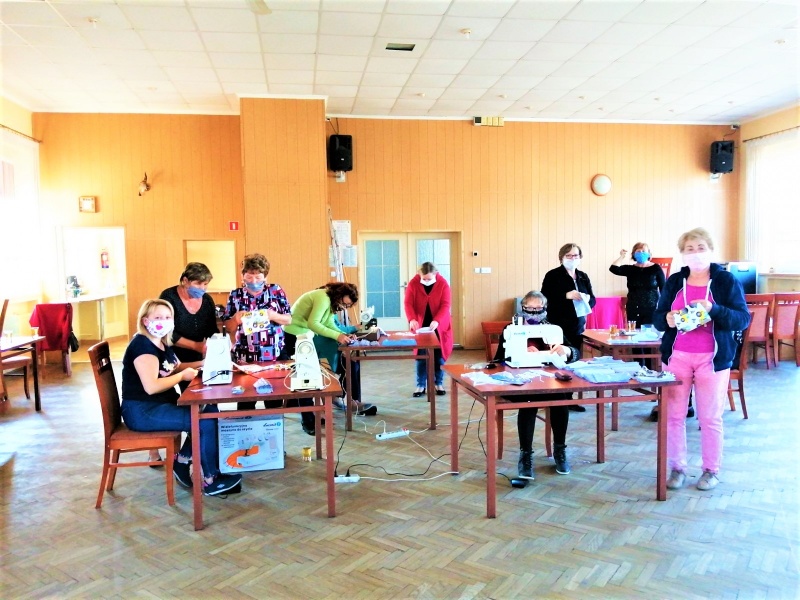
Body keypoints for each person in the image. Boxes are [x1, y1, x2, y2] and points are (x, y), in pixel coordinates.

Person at [653, 227, 750, 492]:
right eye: (689, 249)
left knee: (710, 418)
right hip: (677, 357)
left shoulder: (726, 281)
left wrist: (714, 309)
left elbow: (742, 319)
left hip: (713, 359)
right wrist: (666, 319)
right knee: (673, 416)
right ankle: (677, 468)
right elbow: (658, 318)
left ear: (710, 250)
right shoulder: (675, 281)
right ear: (682, 254)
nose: (695, 254)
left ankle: (711, 470)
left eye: (700, 248)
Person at [120, 299, 242, 496]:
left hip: (159, 405)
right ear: (145, 321)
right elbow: (151, 387)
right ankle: (211, 480)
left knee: (210, 411)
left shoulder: (160, 342)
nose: (163, 321)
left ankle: (182, 462)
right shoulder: (143, 347)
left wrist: (204, 363)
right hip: (143, 411)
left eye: (168, 317)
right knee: (203, 421)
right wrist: (182, 377)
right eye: (158, 317)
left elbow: (176, 367)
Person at [494, 291, 579, 479]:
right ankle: (525, 454)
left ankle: (560, 450)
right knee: (529, 402)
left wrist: (566, 350)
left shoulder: (551, 328)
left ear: (545, 309)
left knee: (560, 399)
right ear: (522, 308)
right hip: (520, 380)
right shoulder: (512, 328)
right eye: (530, 308)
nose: (534, 312)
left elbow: (575, 353)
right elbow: (499, 359)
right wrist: (521, 350)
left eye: (539, 308)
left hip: (547, 380)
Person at [284, 282, 377, 416]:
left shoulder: (329, 301)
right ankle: (312, 415)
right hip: (294, 334)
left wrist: (343, 334)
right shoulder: (323, 298)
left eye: (347, 306)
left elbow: (328, 323)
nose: (344, 307)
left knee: (345, 364)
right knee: (306, 371)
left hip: (304, 333)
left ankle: (336, 402)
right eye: (344, 304)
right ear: (339, 295)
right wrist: (338, 336)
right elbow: (313, 323)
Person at [541, 243, 596, 412]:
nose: (573, 258)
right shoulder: (553, 275)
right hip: (557, 324)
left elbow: (593, 299)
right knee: (557, 361)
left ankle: (569, 399)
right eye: (569, 255)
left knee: (573, 361)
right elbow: (545, 298)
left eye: (576, 255)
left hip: (577, 325)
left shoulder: (583, 276)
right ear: (562, 257)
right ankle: (554, 398)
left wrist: (587, 299)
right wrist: (566, 295)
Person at [404, 262, 454, 397]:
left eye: (429, 279)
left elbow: (445, 305)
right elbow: (408, 303)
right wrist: (412, 319)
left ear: (435, 274)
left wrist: (437, 320)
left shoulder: (443, 284)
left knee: (438, 356)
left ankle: (438, 383)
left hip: (439, 325)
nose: (426, 281)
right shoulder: (413, 284)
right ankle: (420, 385)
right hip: (421, 324)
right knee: (421, 356)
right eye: (424, 279)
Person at [609, 243, 666, 327]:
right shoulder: (630, 269)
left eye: (644, 251)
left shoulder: (656, 268)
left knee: (648, 332)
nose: (641, 253)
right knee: (633, 331)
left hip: (651, 307)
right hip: (633, 307)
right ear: (634, 254)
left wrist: (663, 307)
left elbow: (663, 288)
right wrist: (622, 256)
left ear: (649, 254)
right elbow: (613, 268)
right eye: (638, 251)